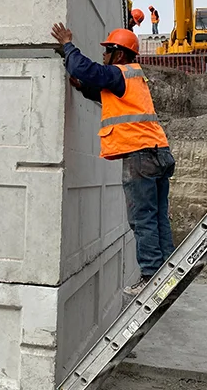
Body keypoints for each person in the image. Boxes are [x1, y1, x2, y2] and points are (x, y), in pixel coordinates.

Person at [50, 22, 176, 295]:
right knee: (157, 218)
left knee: (142, 219)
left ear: (119, 54)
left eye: (107, 51)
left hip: (140, 156)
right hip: (158, 152)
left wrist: (68, 46)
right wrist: (82, 86)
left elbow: (88, 70)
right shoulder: (132, 77)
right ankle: (167, 274)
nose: (104, 55)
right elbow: (100, 89)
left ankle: (151, 276)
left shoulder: (119, 72)